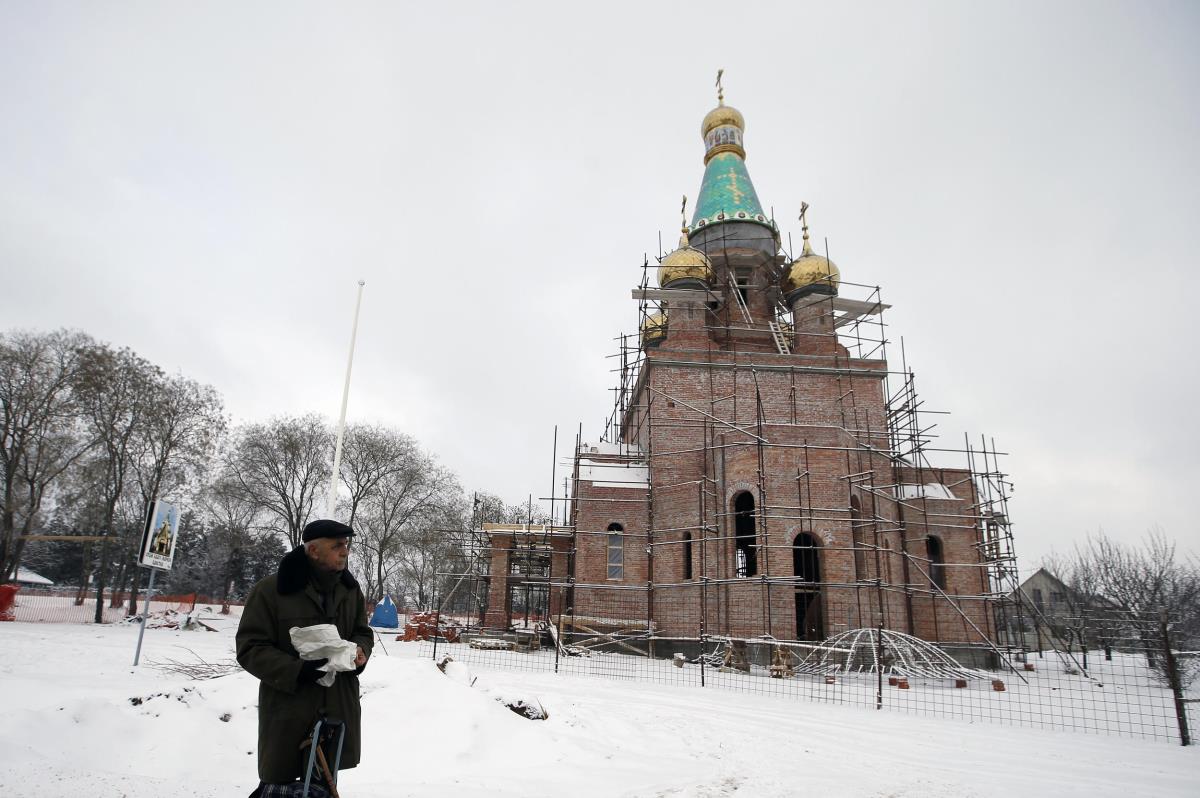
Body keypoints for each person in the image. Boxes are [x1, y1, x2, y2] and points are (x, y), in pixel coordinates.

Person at [236, 519, 373, 796]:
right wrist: (297, 671)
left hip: (337, 709)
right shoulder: (271, 591)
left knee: (323, 786)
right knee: (280, 787)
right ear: (313, 551)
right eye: (337, 546)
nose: (344, 551)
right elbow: (250, 647)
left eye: (346, 545)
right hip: (289, 712)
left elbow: (362, 631)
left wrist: (359, 651)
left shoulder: (350, 590)